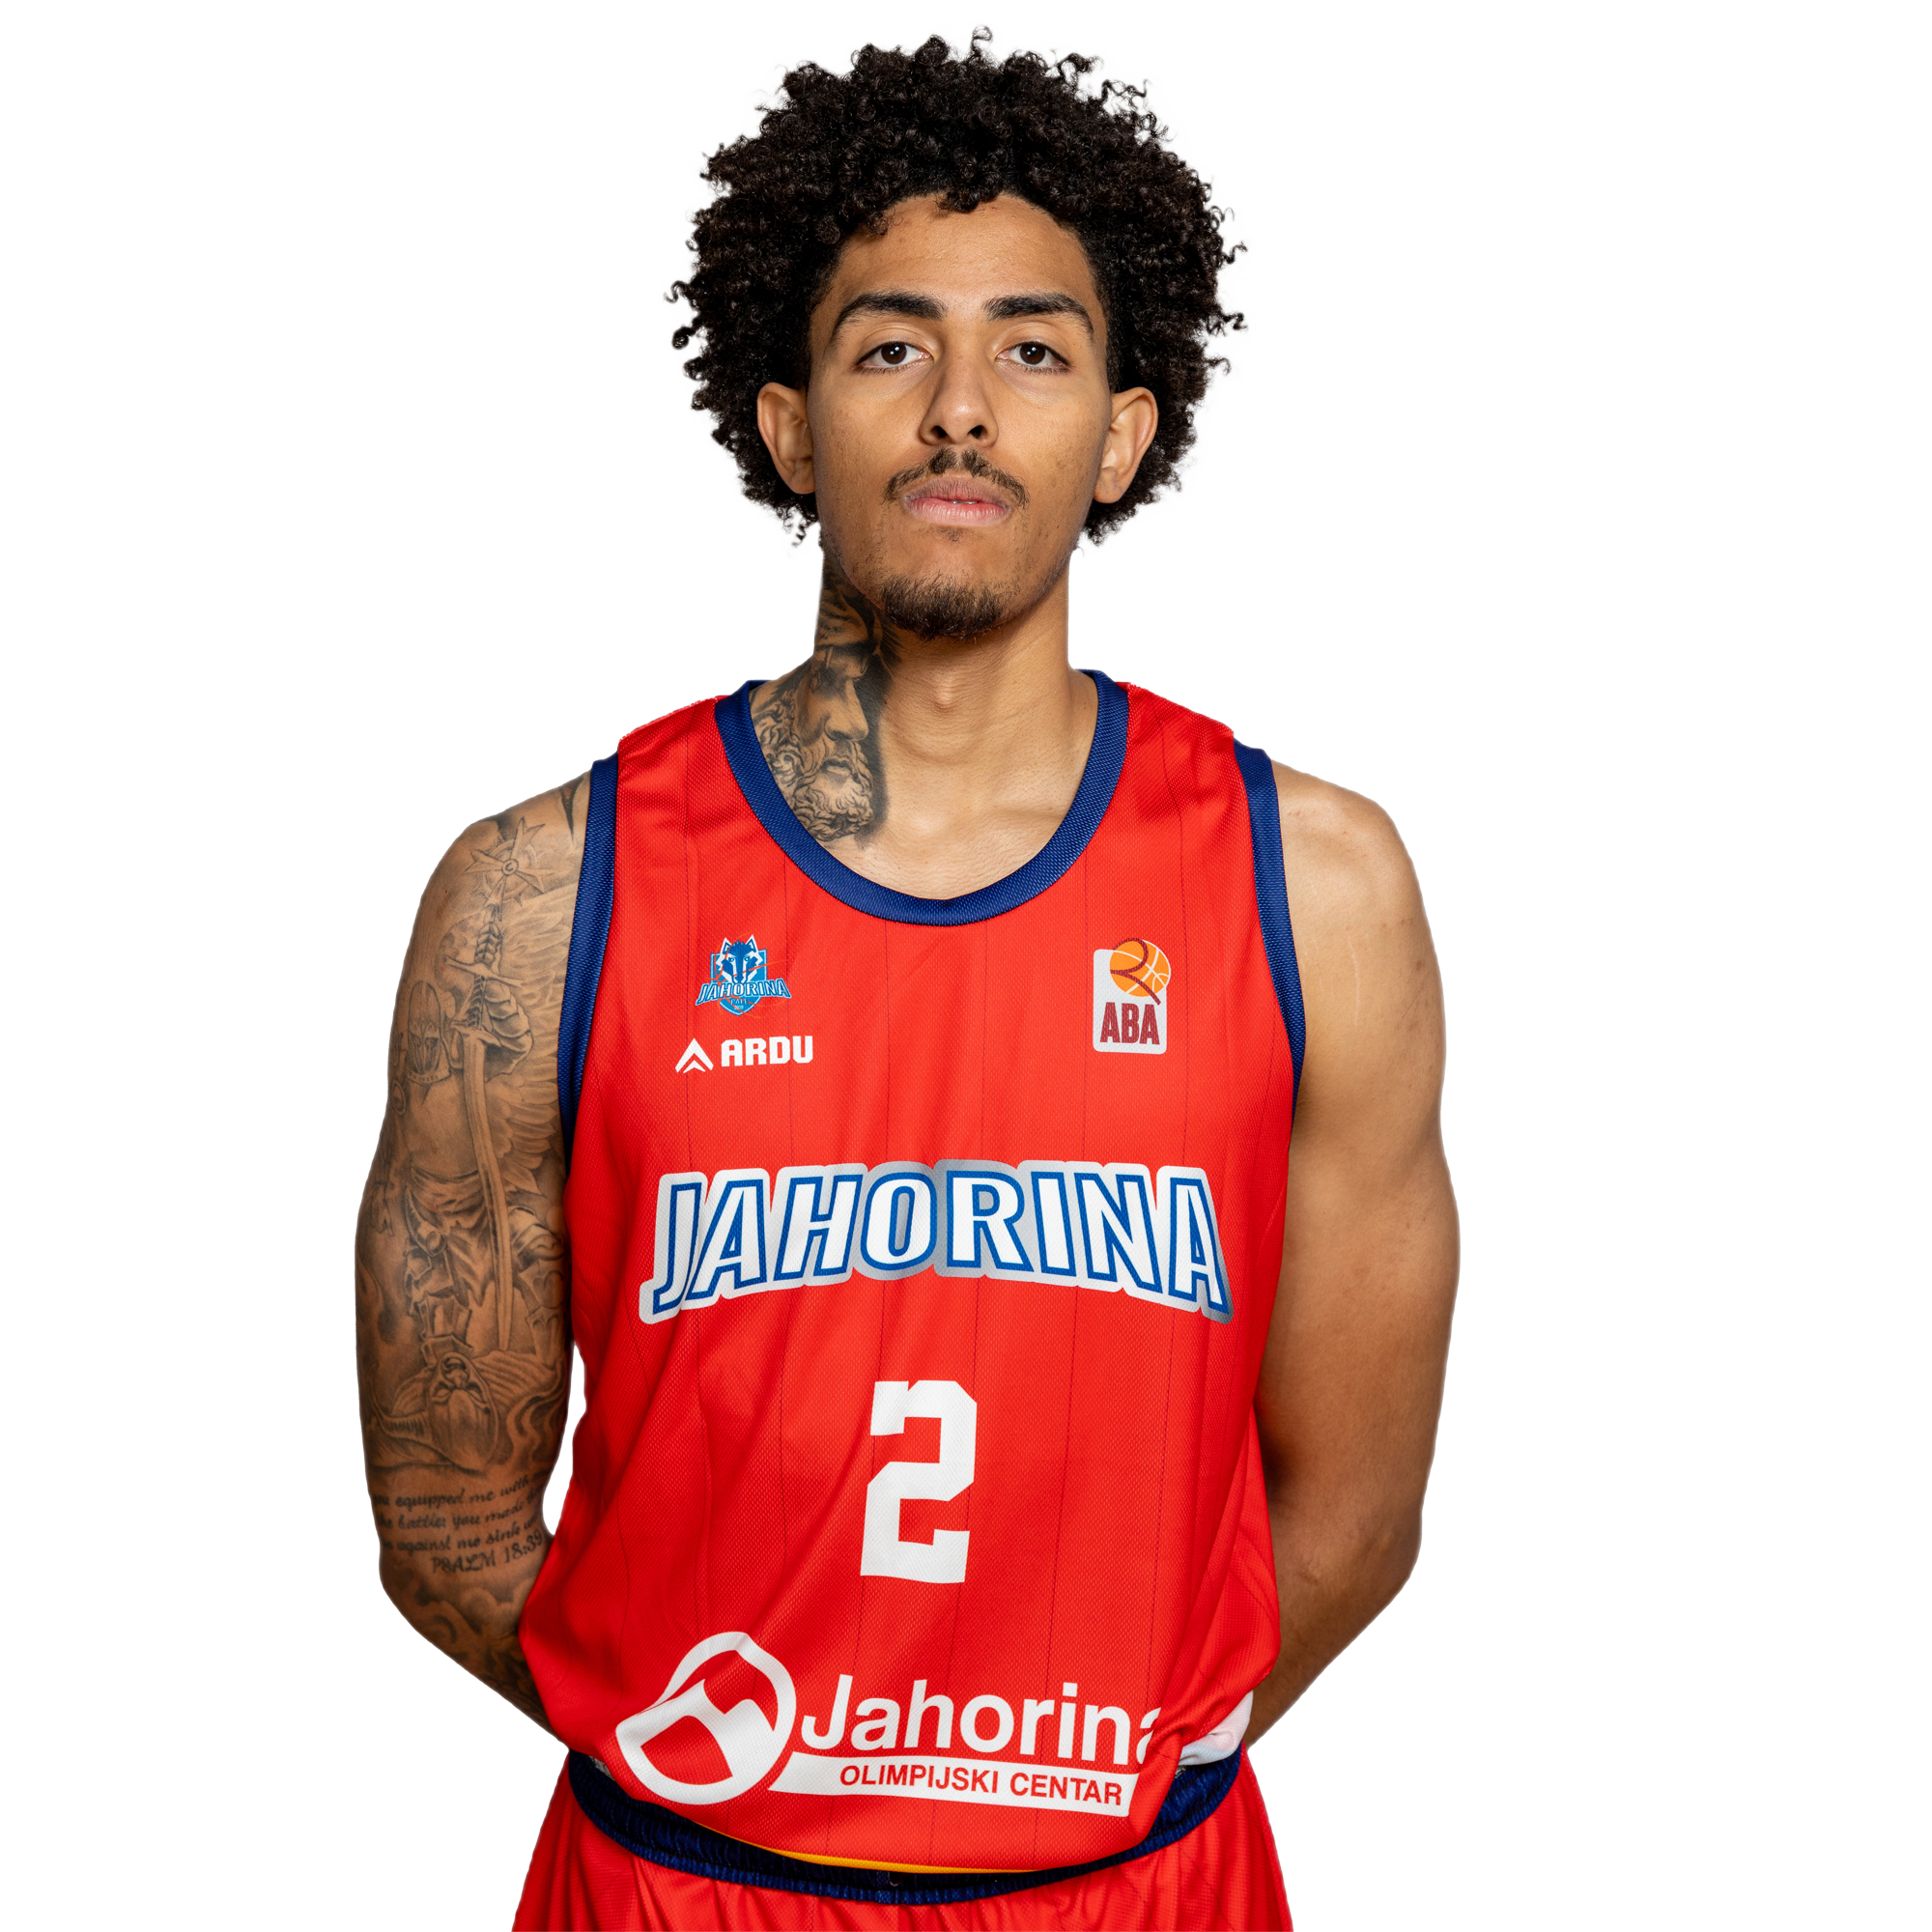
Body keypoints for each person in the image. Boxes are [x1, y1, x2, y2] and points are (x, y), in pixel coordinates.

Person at [357, 28, 1457, 1929]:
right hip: (688, 1880)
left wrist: (1072, 1794)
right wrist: (730, 1792)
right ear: (790, 428)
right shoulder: (538, 897)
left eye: (1032, 351)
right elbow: (444, 1513)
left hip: (1134, 1882)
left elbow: (1353, 1514)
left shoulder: (1315, 887)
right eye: (890, 349)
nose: (960, 409)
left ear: (1122, 433)